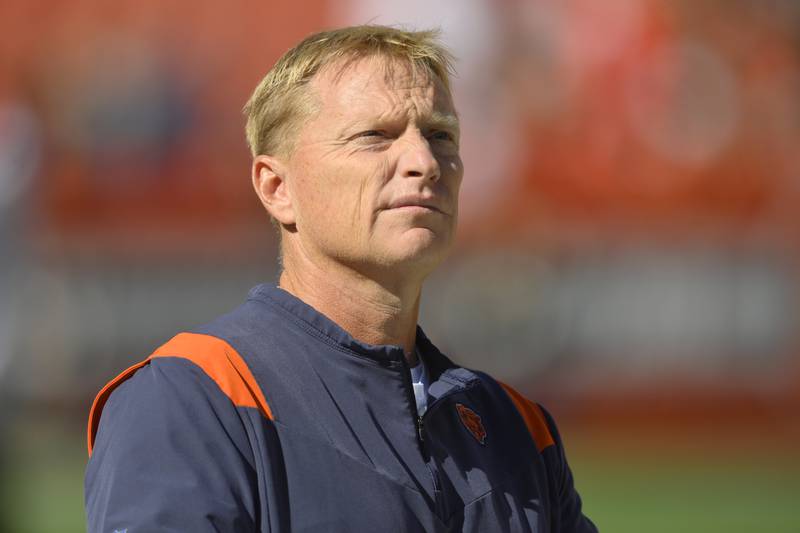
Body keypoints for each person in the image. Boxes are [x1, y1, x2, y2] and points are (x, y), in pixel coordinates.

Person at [85, 25, 597, 532]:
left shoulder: (518, 428)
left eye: (440, 135)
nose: (424, 162)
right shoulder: (196, 397)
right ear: (277, 187)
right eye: (375, 136)